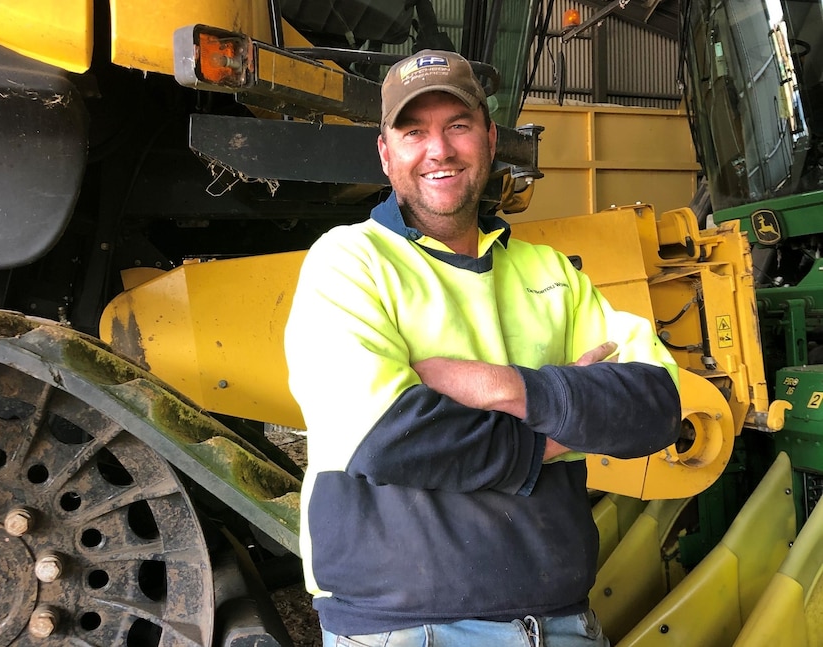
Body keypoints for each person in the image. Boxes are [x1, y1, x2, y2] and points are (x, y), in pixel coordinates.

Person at [284, 49, 681, 647]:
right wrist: (568, 413)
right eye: (413, 131)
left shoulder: (550, 273)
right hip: (407, 630)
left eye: (458, 126)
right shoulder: (349, 261)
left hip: (562, 622)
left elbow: (656, 404)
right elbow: (391, 438)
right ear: (385, 154)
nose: (438, 150)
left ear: (490, 139)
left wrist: (506, 388)